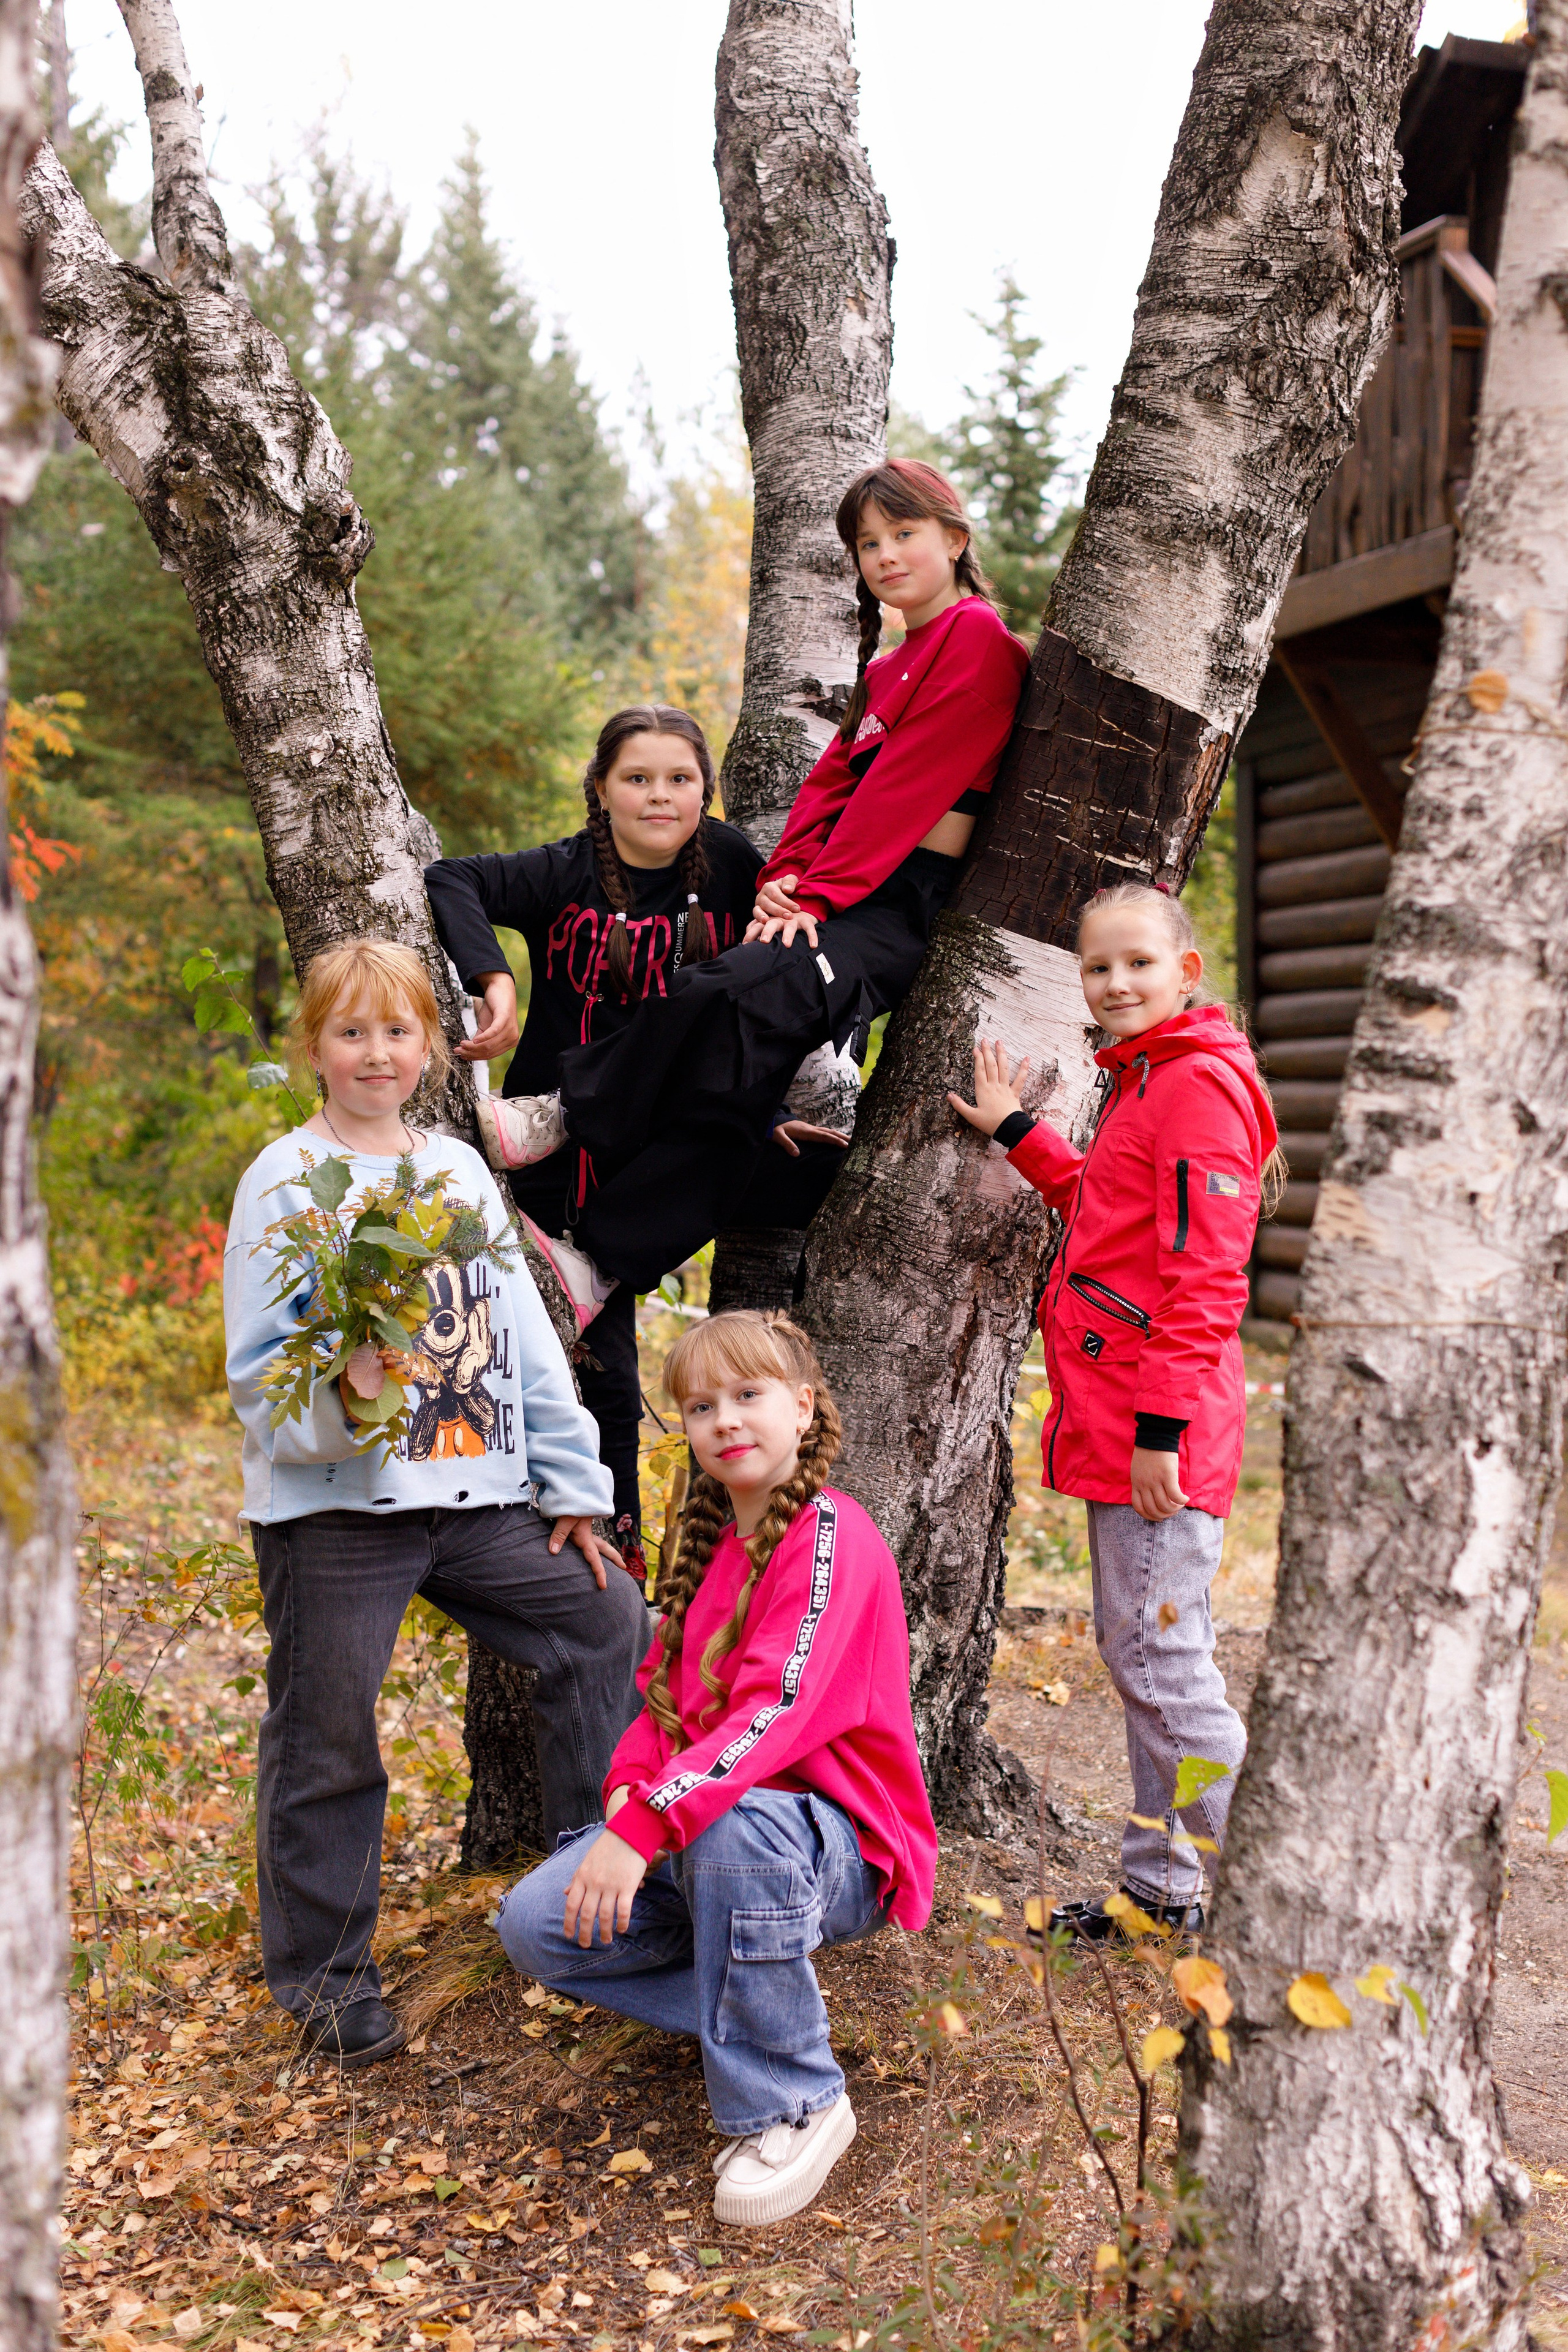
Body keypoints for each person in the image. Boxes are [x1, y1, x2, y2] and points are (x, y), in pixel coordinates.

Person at [225, 937, 650, 2067]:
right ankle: (326, 1979)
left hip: (473, 1500)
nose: (376, 1052)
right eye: (352, 1031)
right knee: (327, 1729)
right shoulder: (283, 1176)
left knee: (603, 1619)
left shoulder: (458, 1169)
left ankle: (588, 1894)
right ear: (316, 1044)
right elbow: (260, 1374)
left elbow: (522, 1339)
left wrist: (571, 1483)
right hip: (336, 1513)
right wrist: (344, 1384)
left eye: (398, 1031)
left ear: (431, 1045)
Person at [536, 459, 1029, 1303]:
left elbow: (904, 789)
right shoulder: (888, 666)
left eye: (904, 534)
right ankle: (600, 1269)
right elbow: (834, 783)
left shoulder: (976, 639)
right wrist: (791, 871)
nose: (885, 556)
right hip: (849, 883)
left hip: (896, 900)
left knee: (729, 986)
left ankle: (565, 1112)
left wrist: (818, 894)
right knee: (732, 1087)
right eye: (868, 543)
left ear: (955, 539)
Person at [492, 1311, 937, 2227]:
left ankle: (796, 2098)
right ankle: (764, 2016)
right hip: (714, 1836)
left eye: (749, 1395)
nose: (725, 1421)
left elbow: (772, 1713)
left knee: (735, 1821)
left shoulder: (830, 1538)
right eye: (701, 1407)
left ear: (804, 1407)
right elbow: (658, 1706)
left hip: (836, 1846)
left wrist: (645, 1826)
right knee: (539, 1924)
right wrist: (625, 1797)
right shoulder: (706, 1556)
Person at [424, 706, 851, 1576]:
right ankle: (610, 1554)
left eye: (680, 780)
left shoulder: (735, 868)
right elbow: (451, 877)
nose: (660, 796)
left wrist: (764, 1116)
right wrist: (495, 981)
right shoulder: (568, 869)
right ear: (602, 789)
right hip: (555, 1154)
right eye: (638, 779)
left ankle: (609, 1264)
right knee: (604, 1367)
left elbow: (762, 1008)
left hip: (672, 1145)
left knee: (823, 1170)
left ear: (705, 791)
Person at [950, 883, 1283, 1938]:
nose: (1118, 982)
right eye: (1099, 968)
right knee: (1145, 1654)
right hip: (1126, 1415)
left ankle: (1271, 1915)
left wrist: (1160, 1434)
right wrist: (1020, 1133)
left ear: (1187, 971)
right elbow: (1116, 1209)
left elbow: (1209, 1279)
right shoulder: (1151, 1080)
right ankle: (1165, 1890)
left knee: (1159, 1660)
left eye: (1139, 962)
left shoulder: (1193, 1088)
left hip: (1160, 1429)